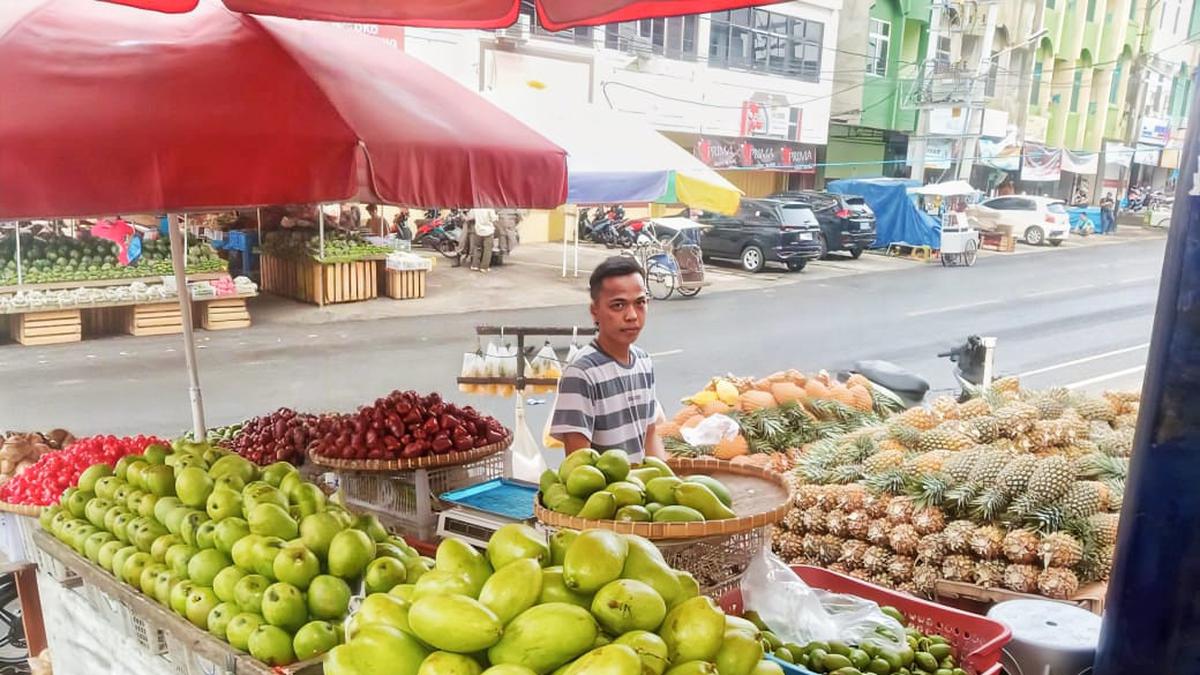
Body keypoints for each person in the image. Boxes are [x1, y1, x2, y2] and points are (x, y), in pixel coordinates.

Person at [550, 257, 666, 462]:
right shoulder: (582, 373)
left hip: (641, 491)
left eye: (640, 303)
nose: (632, 315)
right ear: (595, 311)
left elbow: (650, 437)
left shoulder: (644, 362)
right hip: (606, 493)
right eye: (618, 305)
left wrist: (669, 486)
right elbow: (579, 463)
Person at [469, 207, 497, 272]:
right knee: (487, 250)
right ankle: (484, 267)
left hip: (478, 230)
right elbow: (494, 219)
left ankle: (475, 266)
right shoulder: (490, 208)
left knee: (477, 248)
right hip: (488, 231)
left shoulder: (475, 207)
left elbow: (470, 217)